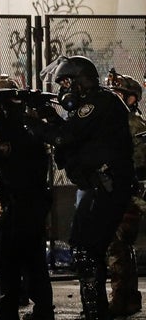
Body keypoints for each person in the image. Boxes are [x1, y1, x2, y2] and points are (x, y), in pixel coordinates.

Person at [26, 55, 134, 319]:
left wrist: (34, 124)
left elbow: (66, 137)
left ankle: (96, 312)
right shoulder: (90, 106)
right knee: (83, 246)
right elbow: (72, 136)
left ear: (81, 81)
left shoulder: (99, 103)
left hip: (105, 187)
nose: (63, 90)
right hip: (94, 187)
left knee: (87, 249)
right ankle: (94, 310)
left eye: (66, 82)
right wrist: (49, 116)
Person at [0, 74, 54, 320]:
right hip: (31, 200)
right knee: (33, 258)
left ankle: (6, 312)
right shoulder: (26, 122)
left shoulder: (13, 127)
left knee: (8, 258)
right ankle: (42, 310)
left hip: (20, 201)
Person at [104, 69, 145, 316]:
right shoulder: (118, 122)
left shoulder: (133, 123)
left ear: (131, 99)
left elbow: (140, 163)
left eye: (120, 94)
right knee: (122, 248)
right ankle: (129, 299)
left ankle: (120, 300)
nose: (114, 98)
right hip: (122, 191)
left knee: (117, 247)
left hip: (128, 194)